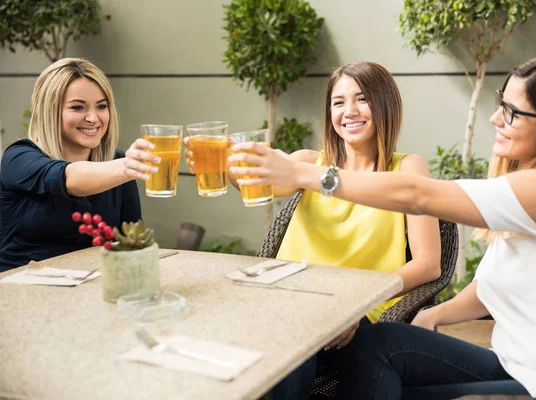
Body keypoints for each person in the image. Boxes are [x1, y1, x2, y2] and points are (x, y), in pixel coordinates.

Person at [228, 54, 536, 399]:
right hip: (512, 360)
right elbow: (494, 285)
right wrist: (435, 313)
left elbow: (417, 195)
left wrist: (305, 173)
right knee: (377, 347)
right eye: (502, 103)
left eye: (513, 113)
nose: (495, 118)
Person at [192, 61, 441, 399]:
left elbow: (428, 264)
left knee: (292, 335)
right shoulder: (309, 163)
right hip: (286, 299)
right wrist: (222, 166)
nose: (349, 111)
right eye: (338, 102)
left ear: (385, 104)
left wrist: (356, 306)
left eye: (362, 99)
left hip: (355, 313)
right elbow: (256, 185)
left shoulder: (407, 168)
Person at [0, 58, 158, 272]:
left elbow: (132, 244)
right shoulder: (19, 158)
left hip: (94, 293)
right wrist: (125, 167)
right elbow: (66, 178)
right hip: (23, 295)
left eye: (101, 106)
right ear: (50, 111)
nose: (93, 118)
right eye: (77, 107)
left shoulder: (117, 164)